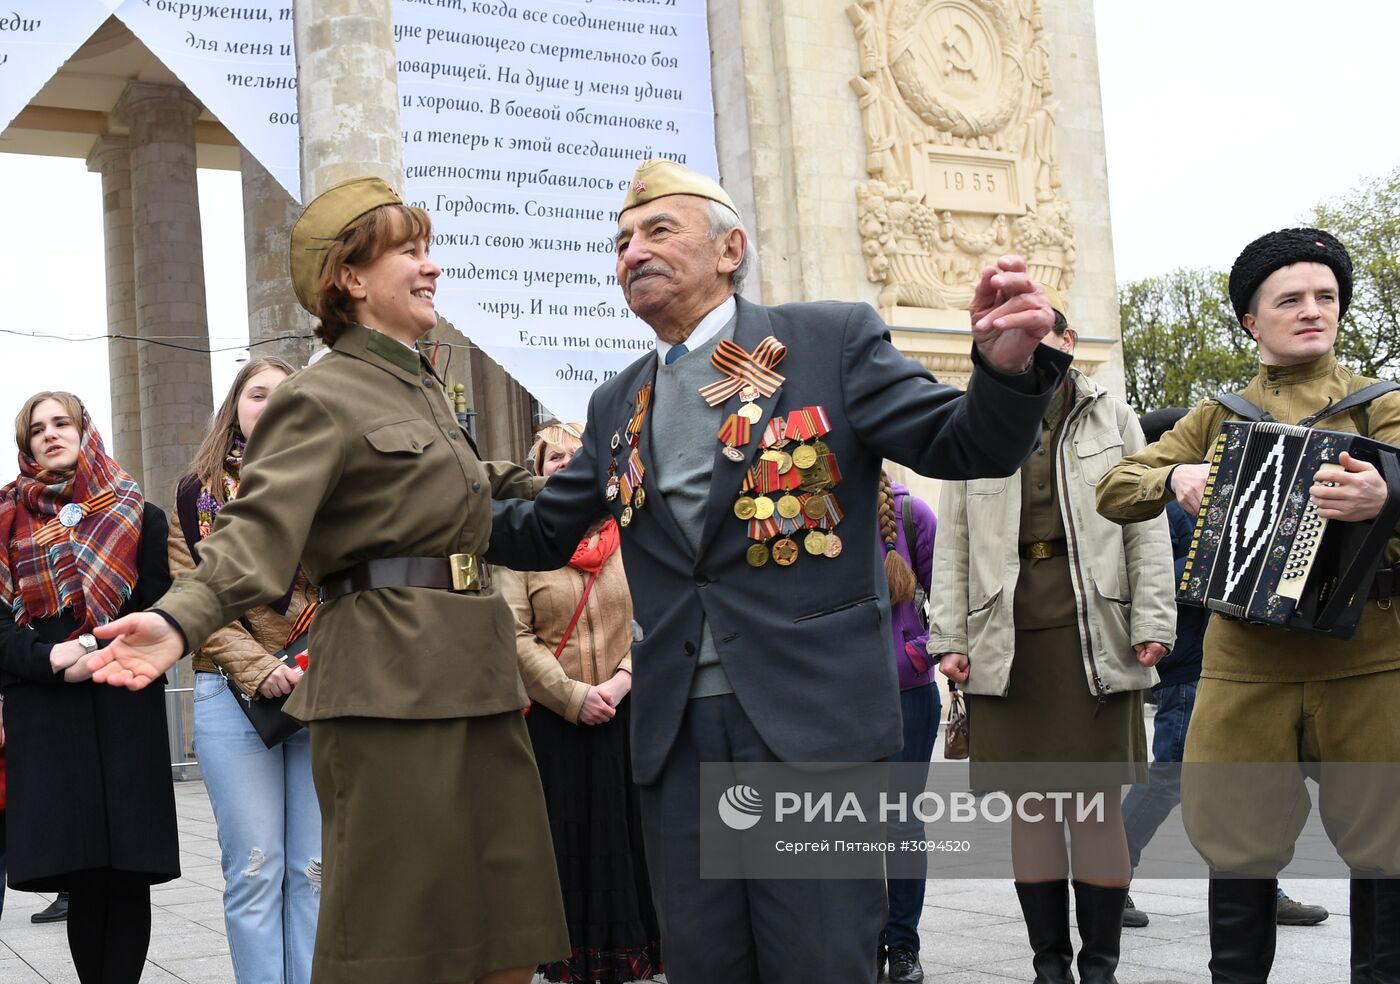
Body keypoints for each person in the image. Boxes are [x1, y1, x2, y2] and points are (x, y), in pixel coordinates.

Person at [484, 158, 1071, 984]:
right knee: (705, 964)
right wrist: (421, 498)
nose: (631, 253)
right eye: (619, 242)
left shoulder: (827, 342)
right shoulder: (620, 401)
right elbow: (545, 526)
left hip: (808, 726)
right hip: (677, 735)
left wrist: (1006, 372)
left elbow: (962, 441)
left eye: (657, 231)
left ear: (732, 249)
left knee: (820, 960)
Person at [88, 177, 570, 984]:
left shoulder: (420, 388)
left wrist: (613, 476)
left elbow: (489, 491)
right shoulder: (317, 396)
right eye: (410, 251)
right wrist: (178, 621)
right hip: (388, 690)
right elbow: (256, 533)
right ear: (351, 278)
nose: (432, 268)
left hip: (480, 682)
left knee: (507, 934)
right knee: (397, 946)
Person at [1097, 228, 1400, 982]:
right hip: (1244, 664)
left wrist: (1387, 495)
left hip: (1365, 660)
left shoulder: (1381, 406)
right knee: (1235, 842)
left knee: (1386, 844)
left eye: (1326, 297)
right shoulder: (1216, 416)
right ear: (1250, 322)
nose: (1312, 310)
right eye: (1290, 299)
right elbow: (1114, 489)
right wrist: (1176, 479)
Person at [929, 294, 1177, 984]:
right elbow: (953, 539)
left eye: (1045, 334)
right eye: (1017, 337)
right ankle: (1049, 967)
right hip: (1005, 638)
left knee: (1094, 805)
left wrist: (1154, 618)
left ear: (1069, 339)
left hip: (1096, 630)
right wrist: (948, 632)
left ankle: (1099, 967)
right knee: (1034, 807)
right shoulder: (972, 421)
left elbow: (1145, 524)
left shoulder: (1113, 414)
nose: (1035, 348)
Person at [1119, 409, 1329, 932]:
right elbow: (1160, 587)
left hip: (1227, 662)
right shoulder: (1166, 512)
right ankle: (1107, 878)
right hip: (1193, 661)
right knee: (1169, 777)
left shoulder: (1211, 500)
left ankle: (1261, 886)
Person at [0, 391, 179, 983]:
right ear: (25, 444)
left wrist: (91, 650)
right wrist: (53, 658)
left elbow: (159, 608)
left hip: (125, 700)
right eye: (36, 428)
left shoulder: (140, 514)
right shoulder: (3, 521)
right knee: (81, 871)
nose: (51, 434)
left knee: (128, 869)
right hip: (49, 710)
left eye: (62, 423)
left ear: (85, 430)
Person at [169, 356, 322, 984]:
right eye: (257, 393)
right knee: (256, 868)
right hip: (228, 694)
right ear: (236, 406)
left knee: (314, 869)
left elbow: (350, 581)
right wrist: (260, 668)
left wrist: (312, 662)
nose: (270, 403)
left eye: (285, 395)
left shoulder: (331, 482)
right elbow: (191, 589)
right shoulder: (192, 496)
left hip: (319, 683)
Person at [498, 420, 662, 983]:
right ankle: (570, 957)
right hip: (554, 719)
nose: (565, 468)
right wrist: (572, 697)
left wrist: (619, 681)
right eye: (553, 461)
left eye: (576, 458)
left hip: (625, 709)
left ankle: (638, 949)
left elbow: (656, 617)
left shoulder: (633, 533)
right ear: (538, 474)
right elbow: (513, 635)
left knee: (630, 832)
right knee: (568, 840)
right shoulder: (520, 548)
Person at [876, 472, 938, 984]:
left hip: (908, 695)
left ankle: (902, 945)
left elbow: (951, 597)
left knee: (900, 826)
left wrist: (920, 649)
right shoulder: (809, 512)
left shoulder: (914, 513)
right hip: (835, 696)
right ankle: (863, 940)